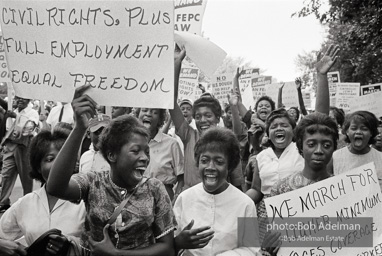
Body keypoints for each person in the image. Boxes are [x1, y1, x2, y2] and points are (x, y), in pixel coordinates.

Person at [46, 85, 176, 256]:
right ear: (112, 155)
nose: (144, 157)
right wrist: (79, 128)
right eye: (135, 151)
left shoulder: (155, 189)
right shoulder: (93, 182)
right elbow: (55, 187)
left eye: (147, 151)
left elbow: (167, 248)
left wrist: (116, 254)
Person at [173, 127, 278, 256]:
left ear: (230, 166)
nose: (210, 167)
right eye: (204, 161)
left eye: (219, 162)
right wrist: (178, 243)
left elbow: (251, 249)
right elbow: (171, 242)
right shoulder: (184, 198)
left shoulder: (244, 203)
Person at [0, 129, 85, 256]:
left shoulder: (86, 201)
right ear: (38, 167)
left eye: (63, 158)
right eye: (50, 159)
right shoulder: (25, 203)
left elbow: (102, 246)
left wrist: (71, 244)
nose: (58, 165)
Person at [169, 48, 244, 190]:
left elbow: (238, 184)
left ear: (217, 118)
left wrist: (234, 108)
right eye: (198, 116)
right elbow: (171, 102)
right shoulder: (189, 135)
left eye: (208, 115)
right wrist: (177, 63)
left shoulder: (227, 141)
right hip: (190, 203)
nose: (202, 120)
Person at [245, 108, 304, 205]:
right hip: (268, 212)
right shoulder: (261, 156)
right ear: (268, 134)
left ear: (293, 131)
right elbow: (256, 190)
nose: (279, 128)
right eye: (273, 127)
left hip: (298, 207)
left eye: (284, 125)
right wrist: (240, 202)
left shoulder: (302, 151)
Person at [270, 112, 338, 195]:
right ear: (301, 147)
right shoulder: (280, 189)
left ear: (334, 148)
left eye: (326, 145)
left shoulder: (342, 189)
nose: (319, 151)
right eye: (311, 145)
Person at [0, 96, 39, 213]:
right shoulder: (12, 111)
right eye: (18, 98)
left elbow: (27, 131)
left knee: (26, 177)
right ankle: (3, 202)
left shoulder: (33, 113)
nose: (20, 100)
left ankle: (28, 201)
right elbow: (5, 131)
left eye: (24, 99)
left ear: (29, 100)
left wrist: (16, 118)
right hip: (10, 148)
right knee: (6, 175)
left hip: (24, 148)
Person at [136, 107, 184, 201]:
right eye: (145, 110)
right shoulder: (130, 142)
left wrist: (176, 200)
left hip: (163, 200)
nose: (148, 114)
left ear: (160, 119)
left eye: (154, 112)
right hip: (136, 200)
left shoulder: (171, 144)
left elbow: (181, 178)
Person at [330, 111, 382, 190]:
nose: (358, 132)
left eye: (364, 129)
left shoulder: (380, 158)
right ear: (347, 131)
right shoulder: (335, 157)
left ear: (371, 133)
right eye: (354, 128)